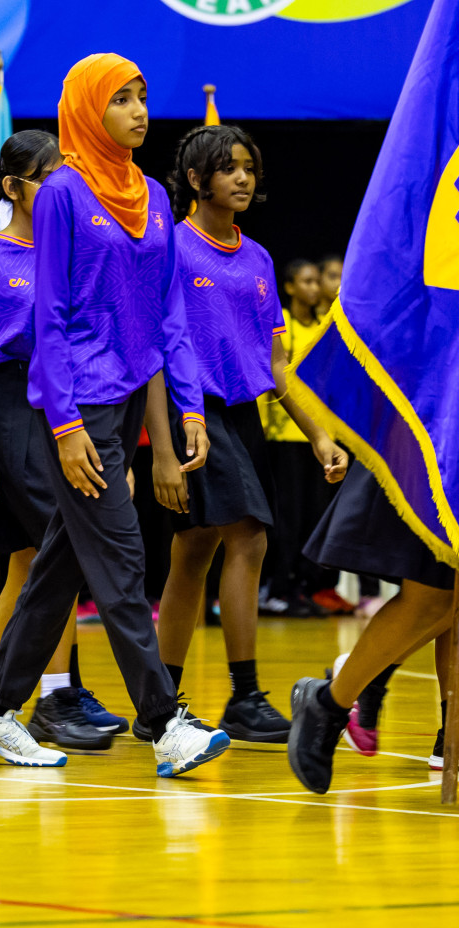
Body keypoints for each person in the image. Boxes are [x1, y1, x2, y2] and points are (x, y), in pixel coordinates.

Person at [0, 54, 229, 777]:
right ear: (87, 109)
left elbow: (171, 310)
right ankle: (164, 720)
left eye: (142, 96)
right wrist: (66, 421)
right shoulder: (64, 193)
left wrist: (189, 403)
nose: (139, 110)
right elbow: (49, 312)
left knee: (62, 564)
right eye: (121, 99)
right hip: (77, 396)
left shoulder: (153, 196)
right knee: (120, 553)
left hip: (133, 390)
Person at [152, 125, 348, 742]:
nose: (242, 178)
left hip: (242, 417)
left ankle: (158, 698)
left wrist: (317, 435)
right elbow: (159, 346)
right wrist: (166, 432)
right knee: (249, 538)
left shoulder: (259, 257)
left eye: (249, 169)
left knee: (195, 553)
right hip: (193, 409)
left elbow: (277, 367)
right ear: (194, 179)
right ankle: (243, 695)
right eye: (229, 168)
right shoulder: (172, 250)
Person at [0, 128, 127, 751]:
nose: (64, 188)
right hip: (10, 405)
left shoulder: (75, 256)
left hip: (67, 400)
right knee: (65, 539)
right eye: (50, 176)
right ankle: (52, 696)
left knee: (32, 558)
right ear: (14, 188)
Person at [287, 462, 455, 792]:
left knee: (449, 599)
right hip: (440, 438)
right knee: (433, 595)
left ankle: (447, 725)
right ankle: (329, 703)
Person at [257, 258, 338, 615]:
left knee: (314, 517)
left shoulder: (322, 326)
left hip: (320, 437)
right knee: (286, 518)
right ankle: (276, 589)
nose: (312, 287)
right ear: (289, 288)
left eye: (313, 281)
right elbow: (270, 380)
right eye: (304, 282)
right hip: (285, 438)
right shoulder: (283, 326)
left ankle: (304, 588)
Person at [315, 253, 341, 319]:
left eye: (343, 278)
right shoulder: (307, 318)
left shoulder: (347, 320)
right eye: (332, 276)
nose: (339, 283)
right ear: (318, 277)